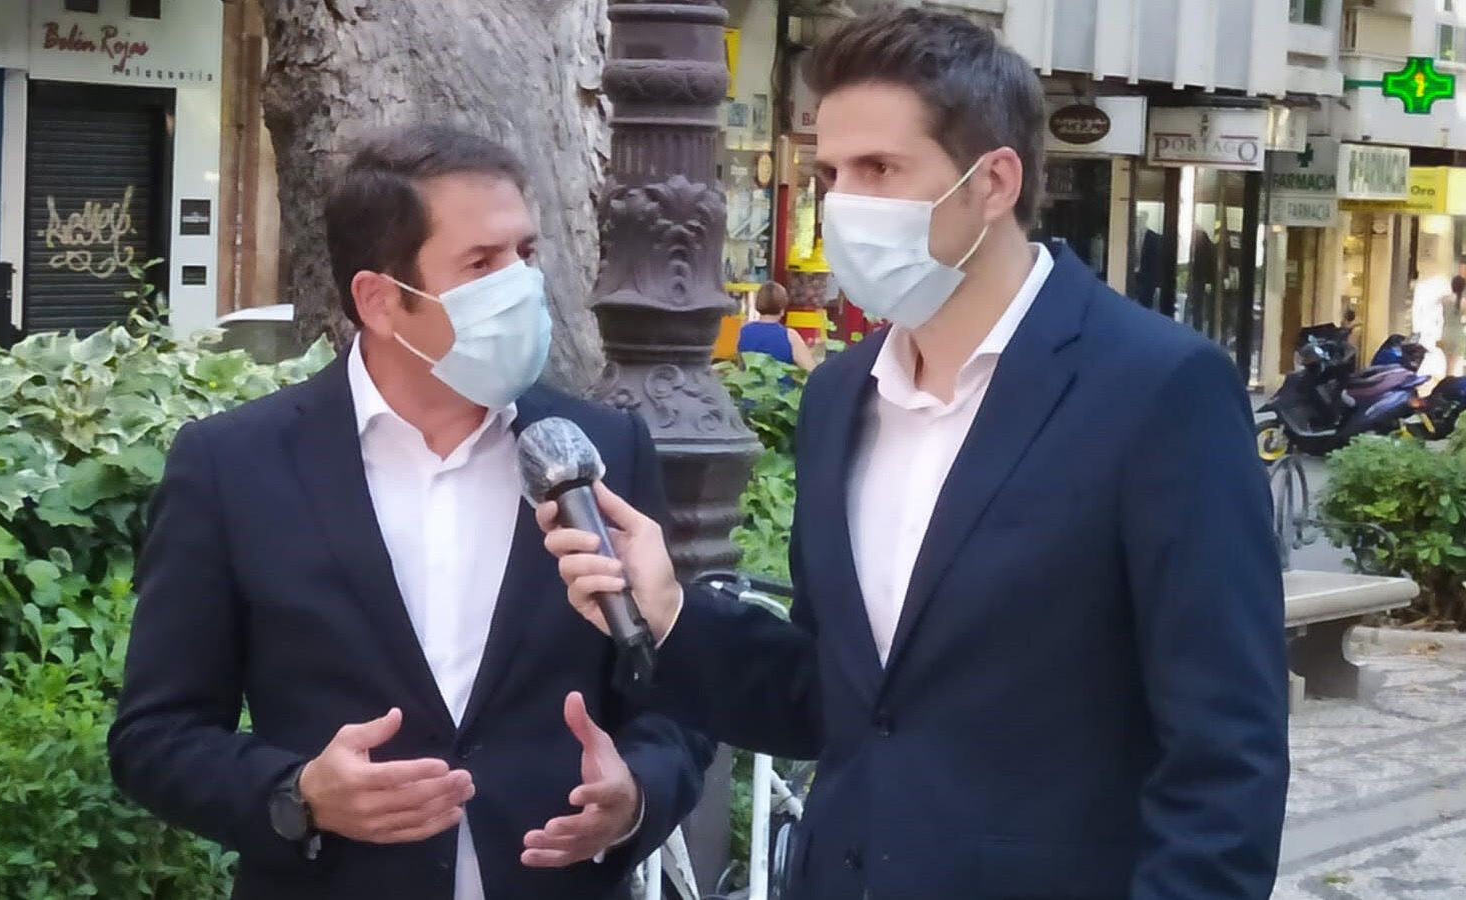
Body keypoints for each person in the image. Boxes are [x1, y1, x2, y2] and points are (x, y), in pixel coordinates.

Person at [541, 11, 1287, 900]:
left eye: (880, 169)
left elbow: (1225, 756)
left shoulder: (1158, 390)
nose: (843, 202)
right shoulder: (841, 397)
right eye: (829, 173)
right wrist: (669, 613)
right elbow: (839, 701)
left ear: (994, 181)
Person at [108, 125, 713, 900]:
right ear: (381, 300)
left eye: (526, 254)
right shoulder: (233, 467)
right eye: (482, 264)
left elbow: (677, 699)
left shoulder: (597, 452)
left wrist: (635, 798)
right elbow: (154, 737)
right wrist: (299, 794)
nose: (521, 286)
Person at [737, 281, 817, 371]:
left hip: (749, 384)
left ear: (758, 304)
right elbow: (811, 370)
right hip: (780, 384)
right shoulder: (789, 336)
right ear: (782, 308)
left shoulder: (744, 331)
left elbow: (741, 366)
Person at [1441, 275, 1465, 376]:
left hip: (1446, 332)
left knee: (1447, 363)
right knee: (1453, 365)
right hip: (1458, 333)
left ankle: (1447, 381)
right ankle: (1450, 383)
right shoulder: (1464, 302)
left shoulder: (1444, 299)